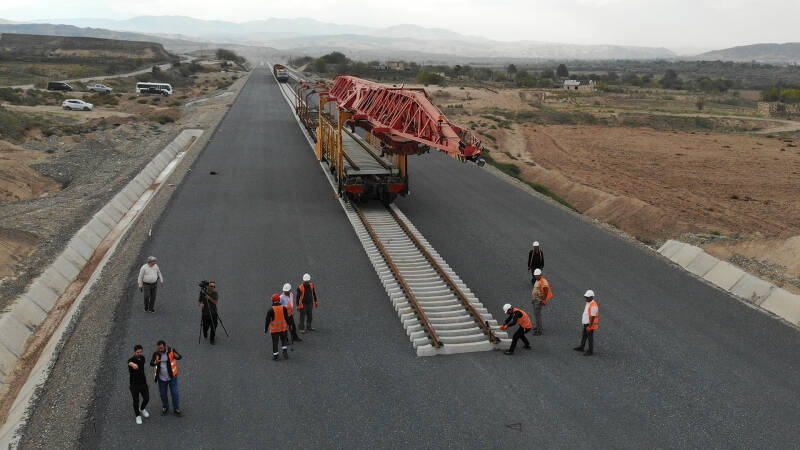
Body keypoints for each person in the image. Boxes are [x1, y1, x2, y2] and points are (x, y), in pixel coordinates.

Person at [150, 340, 182, 416]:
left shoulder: (171, 351)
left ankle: (176, 408)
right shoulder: (156, 353)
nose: (159, 350)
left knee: (175, 393)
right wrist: (155, 362)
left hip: (172, 377)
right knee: (163, 394)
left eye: (161, 348)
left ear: (165, 346)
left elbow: (179, 357)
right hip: (162, 379)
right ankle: (165, 407)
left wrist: (176, 355)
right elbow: (151, 363)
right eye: (158, 348)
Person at [128, 344, 150, 425]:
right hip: (134, 385)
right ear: (134, 352)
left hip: (143, 383)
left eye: (141, 352)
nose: (139, 353)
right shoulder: (131, 360)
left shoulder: (143, 358)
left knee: (146, 398)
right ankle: (137, 416)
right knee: (136, 401)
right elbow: (129, 362)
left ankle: (142, 408)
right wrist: (133, 364)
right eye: (138, 352)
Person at [573, 290, 599, 356]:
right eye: (586, 297)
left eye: (588, 297)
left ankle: (590, 351)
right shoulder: (588, 303)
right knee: (584, 335)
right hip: (586, 323)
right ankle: (582, 347)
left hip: (589, 324)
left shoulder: (593, 305)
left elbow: (593, 317)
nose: (586, 298)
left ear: (592, 297)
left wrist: (590, 326)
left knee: (590, 338)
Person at [265, 294, 290, 361]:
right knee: (284, 340)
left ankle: (276, 356)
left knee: (275, 342)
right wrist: (289, 325)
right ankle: (285, 352)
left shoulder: (270, 310)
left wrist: (266, 328)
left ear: (273, 301)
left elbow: (267, 320)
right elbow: (287, 318)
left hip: (275, 330)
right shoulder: (284, 308)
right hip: (283, 328)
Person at [530, 268, 553, 335]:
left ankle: (539, 330)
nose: (536, 276)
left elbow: (546, 291)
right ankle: (538, 326)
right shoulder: (537, 280)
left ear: (540, 274)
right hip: (535, 300)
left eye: (537, 275)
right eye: (535, 275)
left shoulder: (543, 281)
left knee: (537, 315)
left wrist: (544, 300)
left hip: (539, 300)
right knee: (536, 314)